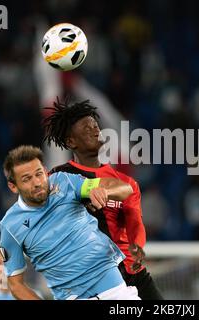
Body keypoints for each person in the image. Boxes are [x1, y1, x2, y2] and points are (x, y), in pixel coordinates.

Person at [43, 98, 164, 300]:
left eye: (95, 125)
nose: (94, 129)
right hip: (91, 279)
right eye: (86, 128)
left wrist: (137, 246)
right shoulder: (59, 179)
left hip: (130, 272)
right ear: (71, 141)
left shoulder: (125, 183)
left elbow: (135, 222)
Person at [0, 145, 140, 300]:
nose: (37, 183)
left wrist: (105, 192)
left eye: (39, 174)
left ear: (45, 171)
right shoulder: (10, 226)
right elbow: (15, 284)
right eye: (27, 179)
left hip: (115, 291)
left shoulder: (65, 182)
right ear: (13, 186)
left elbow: (125, 189)